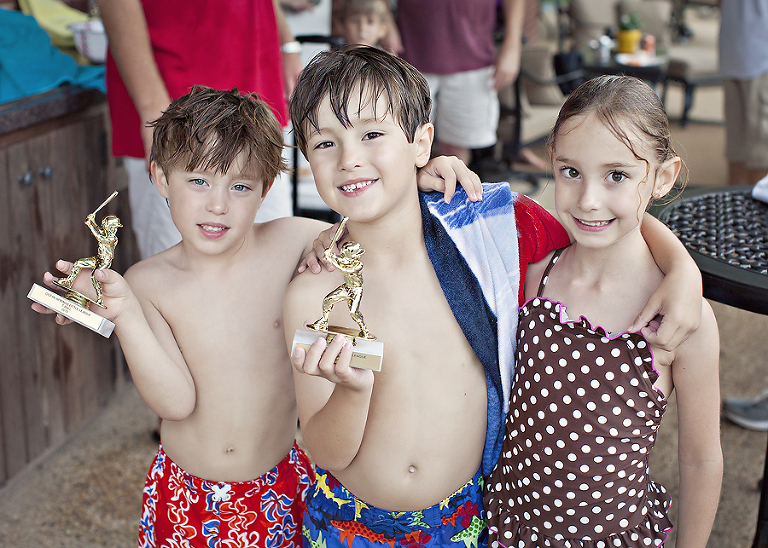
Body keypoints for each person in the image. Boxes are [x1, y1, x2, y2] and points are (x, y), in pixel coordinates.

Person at [283, 46, 704, 547]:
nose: (350, 158)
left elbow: (599, 224)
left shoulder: (490, 232)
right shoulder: (314, 293)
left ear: (422, 144)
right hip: (347, 525)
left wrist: (682, 268)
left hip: (472, 520)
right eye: (325, 143)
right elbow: (325, 451)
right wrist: (352, 392)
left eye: (372, 134)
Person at [34, 86, 328, 548]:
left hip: (281, 485)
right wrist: (125, 314)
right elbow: (174, 403)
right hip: (186, 496)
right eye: (198, 181)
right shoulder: (147, 283)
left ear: (265, 189)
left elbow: (372, 234)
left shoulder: (293, 241)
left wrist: (419, 182)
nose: (218, 204)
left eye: (240, 186)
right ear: (160, 177)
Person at [485, 76, 723, 547]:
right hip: (509, 527)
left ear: (662, 178)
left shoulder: (682, 319)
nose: (588, 200)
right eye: (571, 171)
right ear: (552, 160)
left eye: (616, 175)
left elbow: (700, 459)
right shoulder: (531, 268)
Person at [97, 0, 303, 259]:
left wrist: (287, 44)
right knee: (179, 267)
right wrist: (153, 108)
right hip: (173, 90)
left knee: (274, 258)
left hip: (256, 79)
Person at [719, 0, 768, 187]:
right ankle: (736, 202)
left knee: (759, 154)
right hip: (734, 52)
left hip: (760, 58)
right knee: (737, 150)